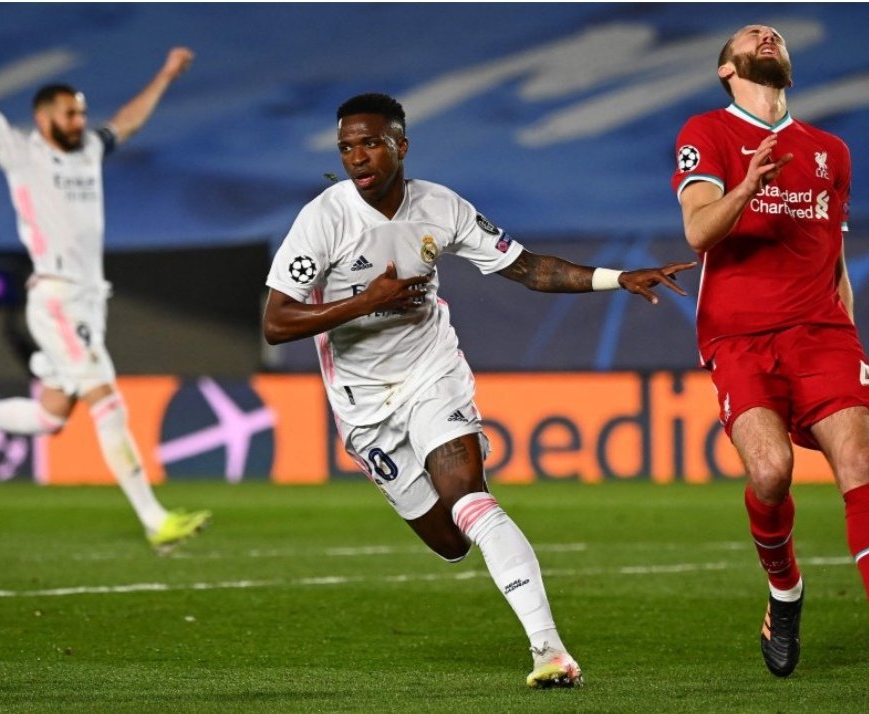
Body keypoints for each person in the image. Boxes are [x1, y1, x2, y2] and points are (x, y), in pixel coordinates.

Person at [264, 92, 696, 688]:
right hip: (362, 407)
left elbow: (529, 268)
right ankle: (455, 490)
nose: (356, 158)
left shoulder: (440, 207)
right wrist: (367, 301)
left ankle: (549, 651)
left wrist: (616, 277)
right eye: (345, 148)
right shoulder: (323, 219)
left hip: (431, 373)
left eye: (370, 144)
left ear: (400, 146)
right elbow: (276, 322)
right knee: (450, 543)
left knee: (469, 496)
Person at [671, 25, 869, 678]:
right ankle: (785, 591)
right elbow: (699, 230)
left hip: (822, 334)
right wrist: (746, 187)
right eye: (751, 34)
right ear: (726, 69)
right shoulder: (706, 132)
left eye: (775, 34)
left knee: (860, 459)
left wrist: (848, 338)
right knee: (770, 472)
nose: (767, 33)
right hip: (739, 337)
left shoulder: (829, 151)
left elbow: (834, 258)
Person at [0, 19, 211, 553]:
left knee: (51, 417)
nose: (80, 121)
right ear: (43, 117)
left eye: (82, 113)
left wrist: (165, 75)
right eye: (70, 113)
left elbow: (127, 121)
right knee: (106, 397)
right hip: (57, 296)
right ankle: (154, 520)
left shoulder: (89, 149)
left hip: (89, 299)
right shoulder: (21, 152)